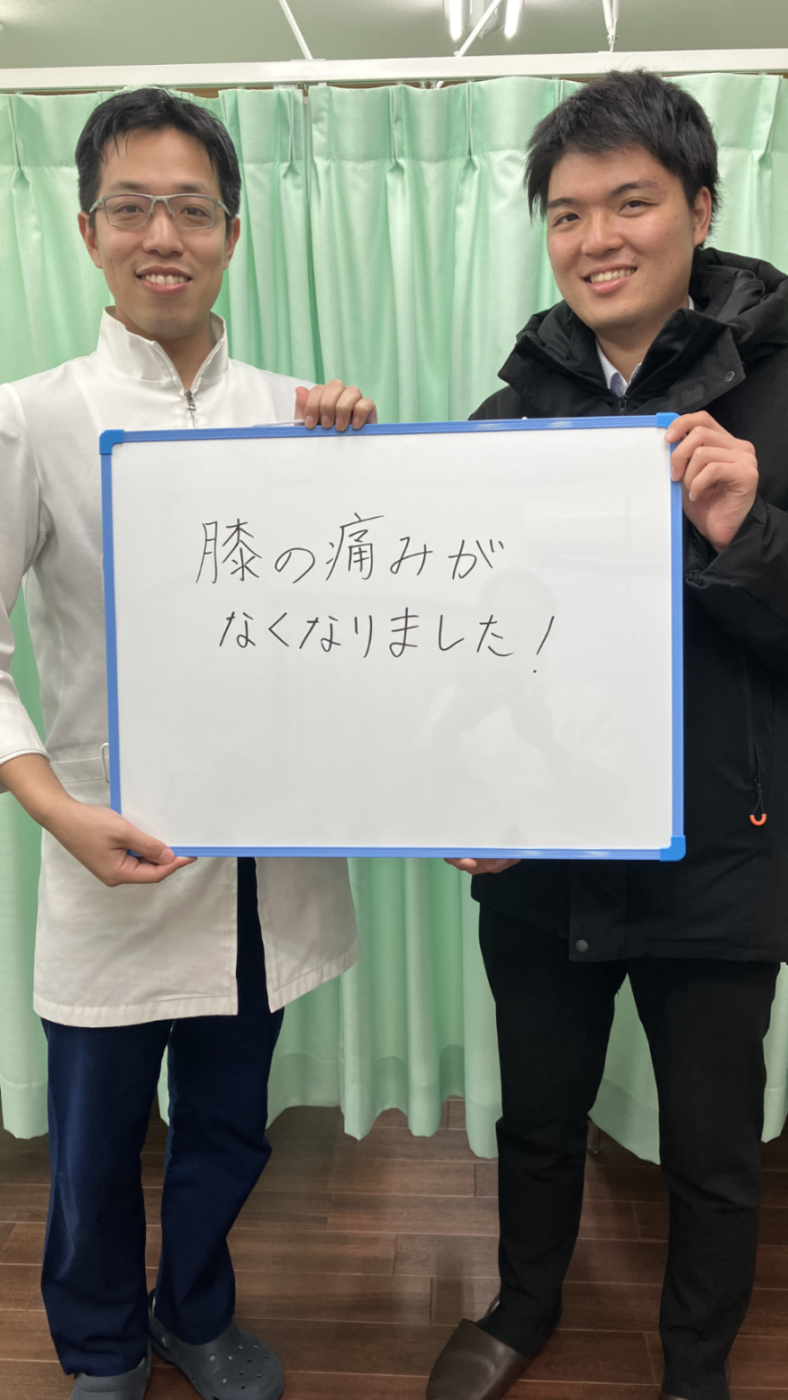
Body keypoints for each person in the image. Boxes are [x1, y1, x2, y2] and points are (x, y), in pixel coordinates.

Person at [0, 88, 377, 1400]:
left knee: (227, 1125)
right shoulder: (32, 418)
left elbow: (365, 625)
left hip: (265, 860)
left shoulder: (301, 411)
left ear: (232, 231)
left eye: (193, 209)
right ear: (87, 229)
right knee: (97, 1142)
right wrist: (56, 810)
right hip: (110, 849)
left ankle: (194, 1310)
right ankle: (101, 1344)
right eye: (132, 207)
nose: (163, 234)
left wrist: (362, 465)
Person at [427, 70, 788, 1400]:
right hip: (545, 851)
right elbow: (447, 639)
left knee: (712, 1147)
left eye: (631, 202)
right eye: (567, 213)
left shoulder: (778, 392)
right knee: (536, 1114)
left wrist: (745, 530)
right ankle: (522, 1309)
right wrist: (455, 786)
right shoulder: (507, 417)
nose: (598, 239)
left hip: (721, 847)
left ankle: (695, 1365)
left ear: (702, 206)